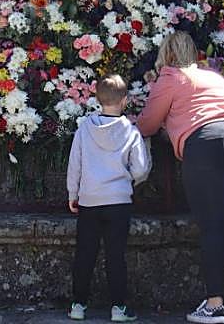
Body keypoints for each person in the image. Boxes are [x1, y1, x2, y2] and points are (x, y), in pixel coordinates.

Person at [136, 31, 224, 324]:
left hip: (207, 144)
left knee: (213, 225)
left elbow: (147, 124)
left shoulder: (169, 77)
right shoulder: (214, 77)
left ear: (166, 55)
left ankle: (214, 304)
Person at [66, 73, 152, 322]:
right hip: (118, 201)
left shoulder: (85, 129)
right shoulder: (131, 131)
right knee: (116, 255)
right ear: (124, 100)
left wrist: (73, 193)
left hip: (89, 200)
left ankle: (78, 304)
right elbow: (140, 169)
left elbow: (75, 164)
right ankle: (118, 307)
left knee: (85, 253)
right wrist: (130, 181)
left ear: (97, 99)